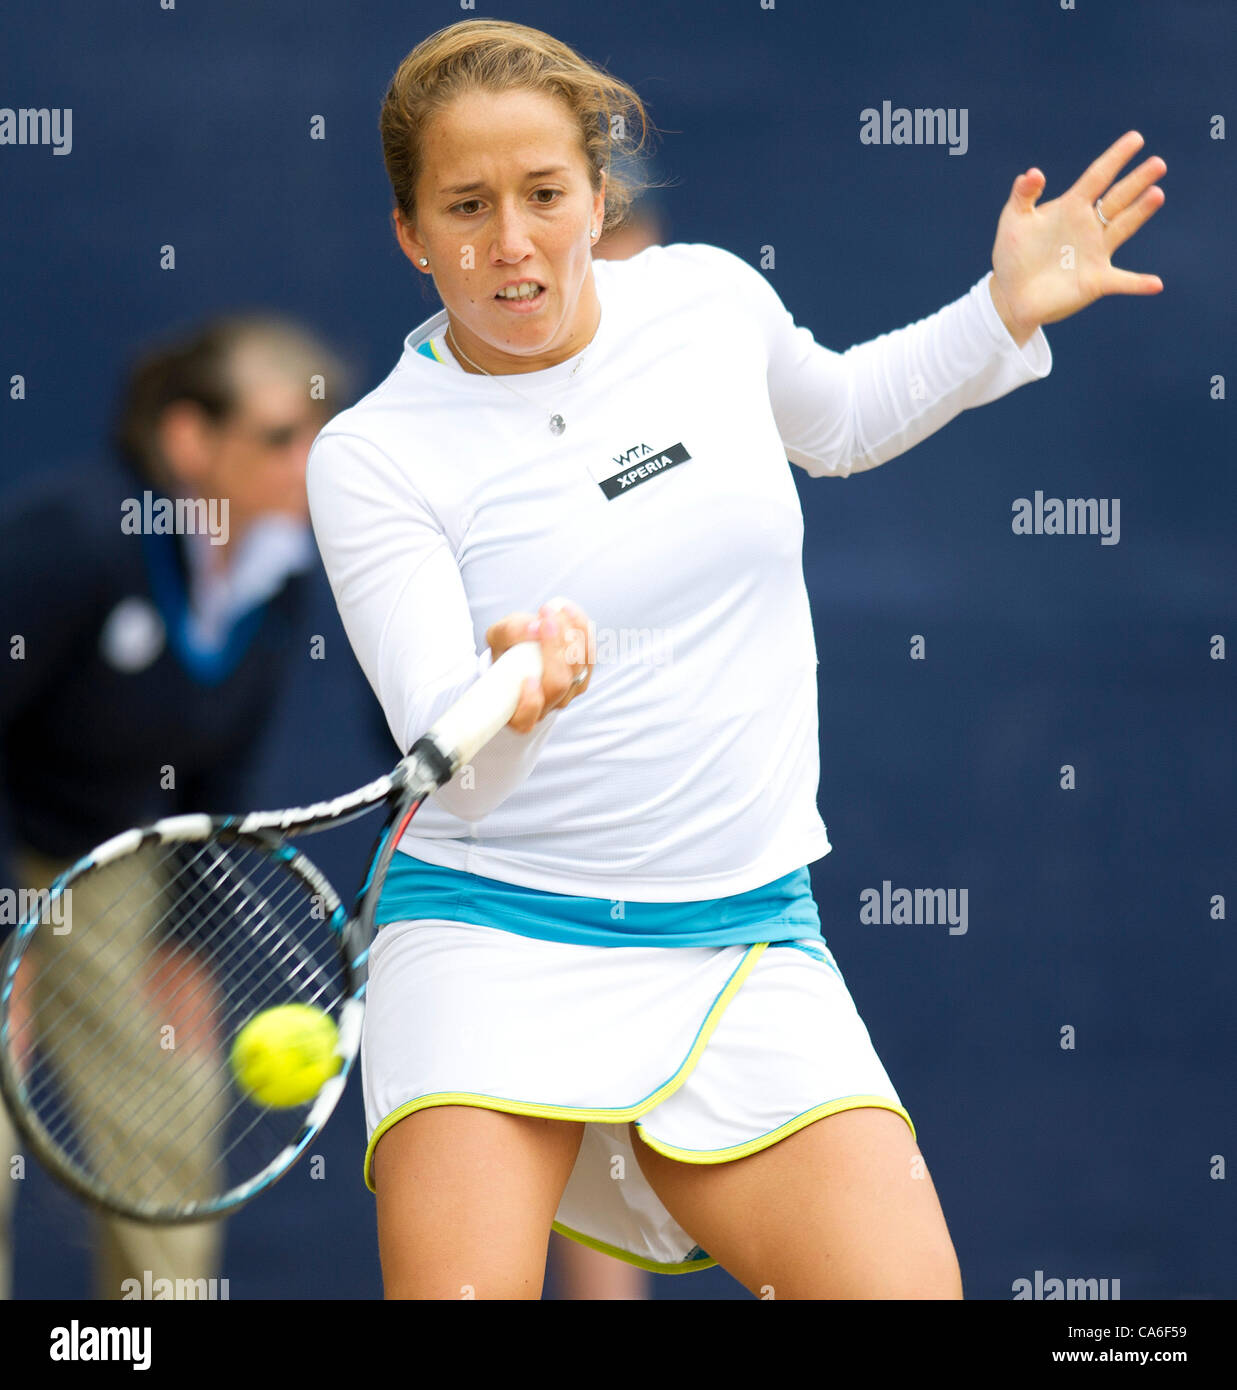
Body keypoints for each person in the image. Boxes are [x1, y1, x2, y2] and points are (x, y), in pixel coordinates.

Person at [305, 18, 1165, 1299]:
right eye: (466, 206)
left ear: (599, 197)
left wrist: (1001, 312)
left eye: (545, 194)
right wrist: (512, 695)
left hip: (744, 934)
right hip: (489, 937)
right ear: (409, 234)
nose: (513, 241)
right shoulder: (370, 458)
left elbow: (843, 419)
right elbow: (450, 753)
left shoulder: (708, 298)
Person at [0, 315, 348, 1299]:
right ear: (192, 437)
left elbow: (216, 781)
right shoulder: (75, 538)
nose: (308, 464)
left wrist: (184, 946)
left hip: (117, 875)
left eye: (320, 436)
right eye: (281, 436)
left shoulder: (277, 578)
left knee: (171, 1111)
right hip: (15, 852)